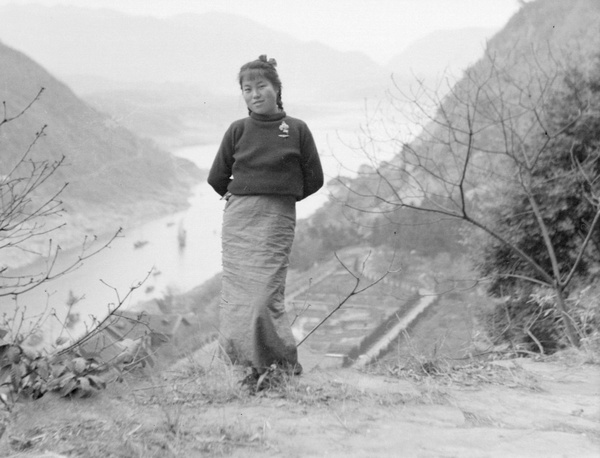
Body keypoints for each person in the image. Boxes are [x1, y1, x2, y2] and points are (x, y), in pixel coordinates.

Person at [207, 55, 324, 386]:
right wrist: (239, 195)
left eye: (261, 86)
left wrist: (284, 194)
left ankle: (279, 365)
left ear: (276, 89)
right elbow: (217, 176)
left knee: (263, 297)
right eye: (247, 89)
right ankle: (243, 366)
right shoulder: (238, 130)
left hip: (276, 218)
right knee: (238, 297)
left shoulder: (297, 129)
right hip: (240, 221)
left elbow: (314, 178)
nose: (254, 94)